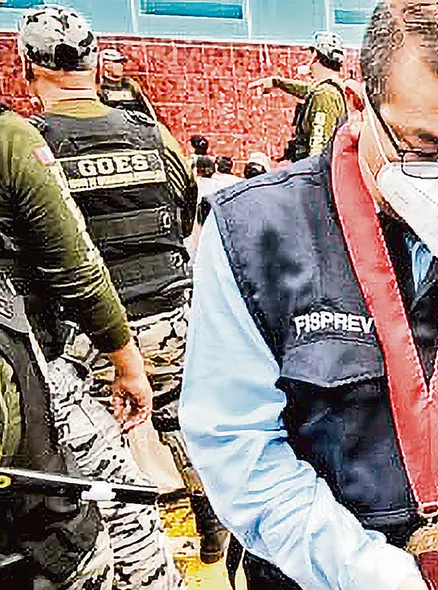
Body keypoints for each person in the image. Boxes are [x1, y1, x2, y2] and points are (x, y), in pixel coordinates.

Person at [180, 0, 438, 588]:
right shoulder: (254, 234)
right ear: (358, 105)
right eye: (426, 150)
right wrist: (368, 571)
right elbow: (237, 443)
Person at [16, 4, 224, 577]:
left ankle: (143, 559)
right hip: (174, 319)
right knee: (192, 427)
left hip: (91, 341)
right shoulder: (150, 132)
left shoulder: (32, 144)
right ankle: (212, 521)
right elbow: (186, 214)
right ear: (93, 61)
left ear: (28, 67)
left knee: (112, 460)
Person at [0, 103, 131, 590]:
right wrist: (123, 355)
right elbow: (76, 267)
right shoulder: (14, 139)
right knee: (117, 520)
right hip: (36, 373)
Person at [250, 32, 348, 162]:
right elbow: (307, 90)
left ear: (315, 56)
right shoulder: (332, 89)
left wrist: (310, 175)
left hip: (313, 173)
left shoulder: (324, 94)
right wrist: (277, 82)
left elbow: (318, 143)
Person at [97, 48, 156, 120]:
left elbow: (147, 107)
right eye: (117, 62)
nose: (122, 65)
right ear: (106, 65)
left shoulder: (131, 84)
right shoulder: (99, 87)